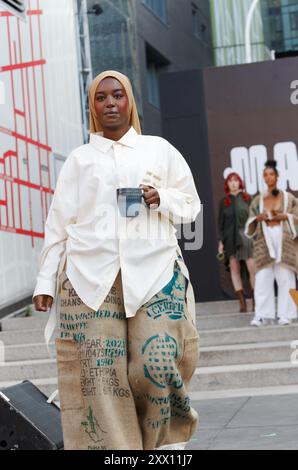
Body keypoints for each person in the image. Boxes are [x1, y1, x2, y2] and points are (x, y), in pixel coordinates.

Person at [32, 70, 201, 450]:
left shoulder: (159, 149)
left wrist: (161, 198)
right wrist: (45, 283)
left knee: (154, 364)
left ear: (130, 102)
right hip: (91, 276)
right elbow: (58, 225)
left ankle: (166, 446)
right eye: (101, 97)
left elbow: (191, 206)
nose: (110, 103)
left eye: (118, 95)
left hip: (154, 271)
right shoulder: (79, 160)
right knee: (100, 375)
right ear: (92, 107)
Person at [245, 160, 298, 327]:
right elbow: (250, 221)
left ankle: (286, 315)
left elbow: (296, 216)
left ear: (277, 176)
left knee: (286, 278)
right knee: (262, 278)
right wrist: (257, 219)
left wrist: (285, 217)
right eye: (265, 175)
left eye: (271, 174)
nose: (268, 177)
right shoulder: (258, 200)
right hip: (264, 240)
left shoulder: (289, 198)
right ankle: (262, 315)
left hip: (284, 240)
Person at [218, 172, 255, 312]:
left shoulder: (247, 199)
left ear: (240, 182)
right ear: (227, 184)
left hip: (246, 237)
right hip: (230, 239)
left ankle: (256, 300)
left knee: (252, 267)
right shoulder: (224, 202)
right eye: (230, 181)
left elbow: (254, 219)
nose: (233, 183)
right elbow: (220, 224)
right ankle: (242, 302)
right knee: (234, 269)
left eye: (236, 180)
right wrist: (221, 242)